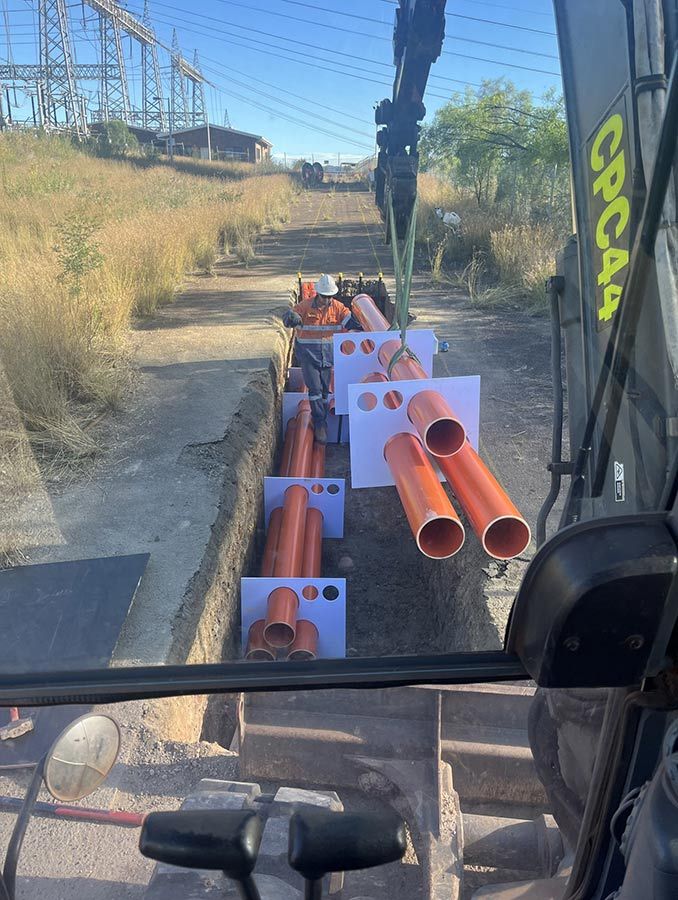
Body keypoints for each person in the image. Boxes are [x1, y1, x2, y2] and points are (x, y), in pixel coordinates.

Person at [282, 274, 362, 444]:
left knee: (325, 391)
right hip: (308, 356)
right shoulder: (305, 307)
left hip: (328, 357)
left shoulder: (338, 308)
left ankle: (322, 416)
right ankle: (319, 422)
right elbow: (289, 317)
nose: (327, 300)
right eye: (325, 296)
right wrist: (291, 317)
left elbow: (350, 321)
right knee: (315, 390)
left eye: (330, 296)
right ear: (318, 294)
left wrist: (360, 325)